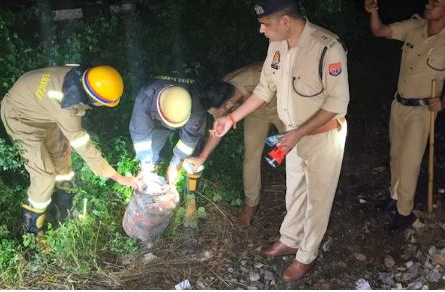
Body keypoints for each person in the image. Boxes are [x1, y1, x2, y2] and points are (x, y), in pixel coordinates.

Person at [213, 0, 349, 282]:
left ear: (285, 20)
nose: (262, 31)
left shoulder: (327, 47)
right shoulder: (277, 44)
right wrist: (231, 118)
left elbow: (337, 102)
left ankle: (306, 255)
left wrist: (298, 133)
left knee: (317, 199)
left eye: (265, 25)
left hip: (323, 137)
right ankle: (290, 238)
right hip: (292, 135)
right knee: (294, 190)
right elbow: (264, 89)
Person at [365, 0, 445, 231]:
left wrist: (443, 101)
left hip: (422, 111)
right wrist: (374, 13)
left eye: (436, 2)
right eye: (430, 1)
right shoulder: (414, 26)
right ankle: (393, 199)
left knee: (410, 162)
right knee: (396, 155)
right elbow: (380, 31)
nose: (430, 4)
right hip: (399, 103)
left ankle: (404, 213)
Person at [0, 65, 141, 235]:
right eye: (102, 103)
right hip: (20, 117)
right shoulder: (67, 105)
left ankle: (64, 209)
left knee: (62, 157)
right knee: (44, 175)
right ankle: (32, 231)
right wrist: (118, 178)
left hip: (42, 111)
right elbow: (84, 145)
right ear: (94, 99)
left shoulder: (79, 75)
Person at [183, 62, 285, 228]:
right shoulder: (222, 92)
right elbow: (219, 128)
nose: (215, 117)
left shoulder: (254, 77)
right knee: (251, 156)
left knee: (296, 152)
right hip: (256, 114)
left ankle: (298, 204)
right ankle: (250, 205)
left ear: (229, 106)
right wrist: (202, 156)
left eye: (216, 114)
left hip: (281, 107)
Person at [129, 76, 206, 186]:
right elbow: (141, 135)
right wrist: (146, 163)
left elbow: (190, 140)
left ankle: (191, 187)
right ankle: (151, 169)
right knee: (150, 149)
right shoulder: (146, 97)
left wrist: (175, 165)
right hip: (158, 118)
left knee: (193, 154)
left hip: (188, 110)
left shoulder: (196, 107)